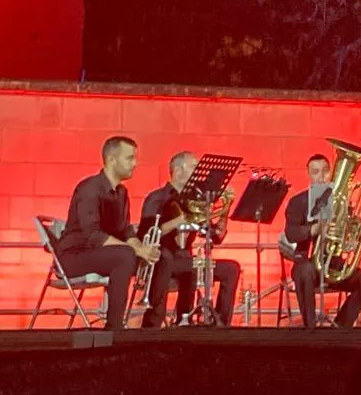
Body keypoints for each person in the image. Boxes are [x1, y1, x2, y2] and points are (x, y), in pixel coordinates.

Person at [55, 135, 160, 330]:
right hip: (73, 255)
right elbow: (93, 236)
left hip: (103, 253)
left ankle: (154, 325)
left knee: (161, 257)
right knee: (126, 255)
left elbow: (124, 229)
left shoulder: (122, 193)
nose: (135, 164)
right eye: (129, 158)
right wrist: (134, 250)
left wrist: (141, 247)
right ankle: (114, 326)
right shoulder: (90, 188)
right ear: (112, 160)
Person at [138, 151, 242, 327]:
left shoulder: (196, 199)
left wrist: (224, 211)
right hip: (161, 260)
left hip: (186, 260)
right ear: (178, 171)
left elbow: (215, 237)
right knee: (170, 260)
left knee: (231, 268)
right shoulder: (157, 198)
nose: (198, 172)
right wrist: (179, 220)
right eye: (194, 167)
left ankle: (221, 326)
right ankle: (155, 323)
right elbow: (145, 234)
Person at [282, 152, 361, 328]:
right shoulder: (298, 202)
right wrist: (314, 229)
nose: (321, 176)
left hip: (333, 264)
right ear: (309, 174)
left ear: (331, 172)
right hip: (307, 263)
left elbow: (348, 241)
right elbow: (291, 233)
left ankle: (340, 326)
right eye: (315, 172)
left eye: (325, 171)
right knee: (305, 271)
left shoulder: (341, 202)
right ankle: (311, 329)